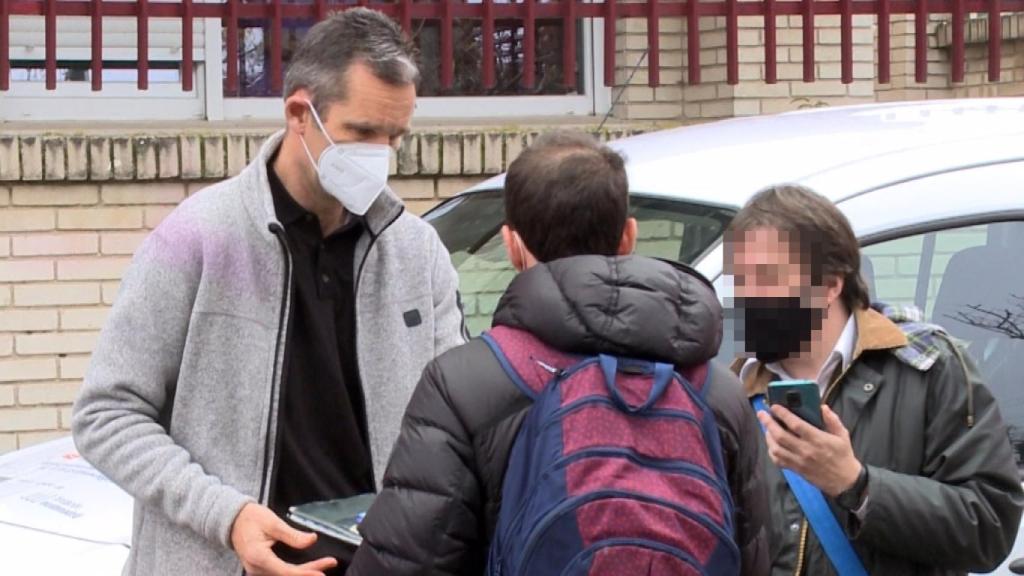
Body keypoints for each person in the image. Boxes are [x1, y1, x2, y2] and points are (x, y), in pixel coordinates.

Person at [71, 9, 467, 576]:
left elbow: (449, 429)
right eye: (361, 133)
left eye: (394, 136)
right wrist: (226, 517)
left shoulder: (416, 252)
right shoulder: (198, 236)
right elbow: (106, 414)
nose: (381, 154)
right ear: (299, 113)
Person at [348, 131, 771, 575]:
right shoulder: (717, 392)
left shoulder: (464, 384)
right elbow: (757, 558)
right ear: (628, 236)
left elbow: (404, 564)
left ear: (511, 245)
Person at [727, 184, 1024, 575]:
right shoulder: (731, 390)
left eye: (767, 278)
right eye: (741, 279)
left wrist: (857, 484)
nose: (749, 296)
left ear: (830, 284)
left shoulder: (929, 369)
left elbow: (989, 530)